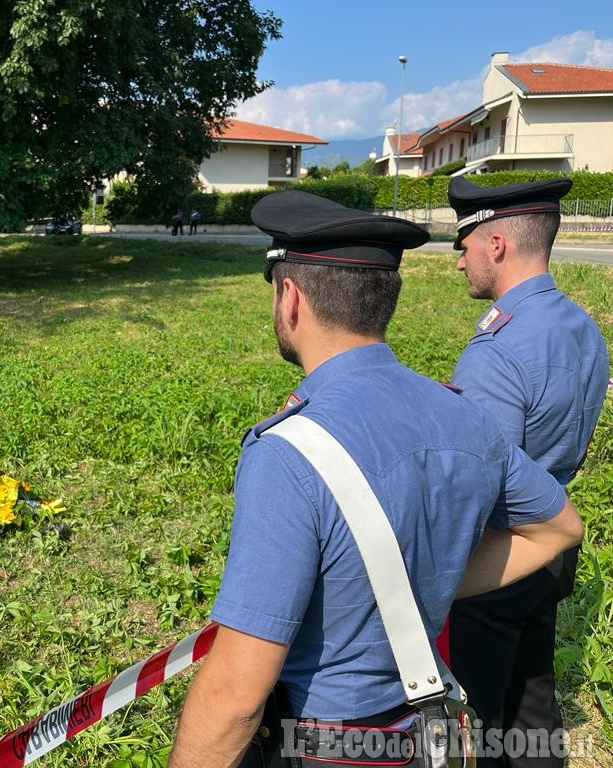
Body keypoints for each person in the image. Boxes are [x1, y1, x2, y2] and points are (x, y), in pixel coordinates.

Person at [167, 189, 583, 768]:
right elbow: (559, 528)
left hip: (317, 745)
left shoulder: (287, 453)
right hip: (428, 739)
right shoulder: (467, 417)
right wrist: (428, 583)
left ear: (290, 298)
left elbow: (236, 699)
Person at [445, 176, 610, 768]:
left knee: (477, 720)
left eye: (463, 246)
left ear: (495, 245)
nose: (458, 262)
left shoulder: (496, 350)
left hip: (500, 554)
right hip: (553, 539)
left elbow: (478, 486)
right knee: (533, 695)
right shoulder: (583, 328)